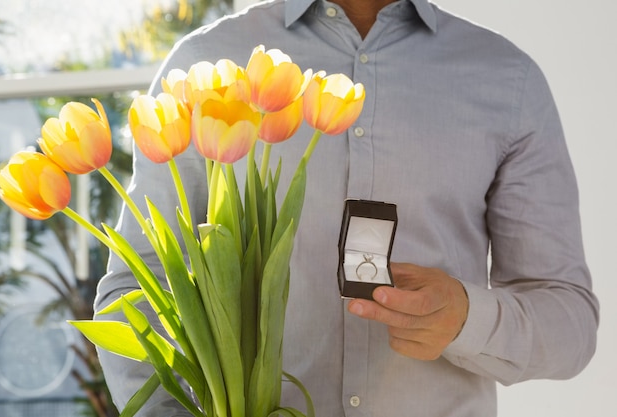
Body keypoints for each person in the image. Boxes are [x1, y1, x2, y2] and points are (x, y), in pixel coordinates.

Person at [95, 0, 600, 416]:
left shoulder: (508, 80)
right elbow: (134, 288)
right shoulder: (204, 67)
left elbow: (569, 321)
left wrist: (469, 318)